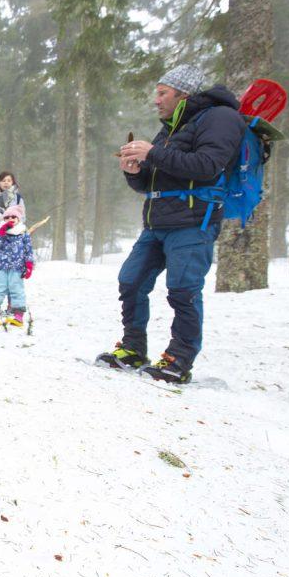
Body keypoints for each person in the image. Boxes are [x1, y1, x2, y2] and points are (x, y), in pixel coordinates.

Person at [99, 64, 246, 383]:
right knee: (131, 280)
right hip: (157, 222)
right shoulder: (172, 128)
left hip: (194, 221)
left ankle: (179, 359)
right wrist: (135, 171)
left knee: (183, 289)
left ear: (184, 94)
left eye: (162, 92)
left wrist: (152, 152)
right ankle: (133, 348)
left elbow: (208, 165)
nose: (156, 100)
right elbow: (153, 182)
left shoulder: (221, 117)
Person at [0, 203, 34, 327]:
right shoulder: (2, 232)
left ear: (18, 219)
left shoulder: (23, 232)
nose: (10, 219)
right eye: (7, 217)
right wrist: (2, 231)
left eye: (13, 217)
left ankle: (18, 317)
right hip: (1, 267)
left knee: (17, 290)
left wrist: (29, 265)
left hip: (17, 268)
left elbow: (28, 250)